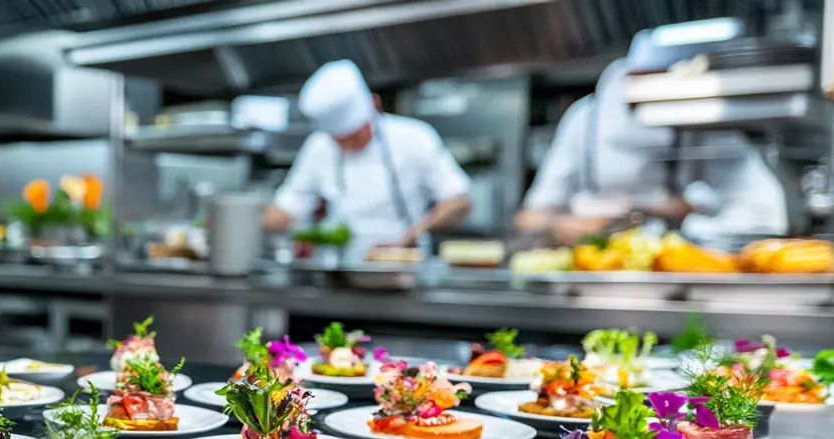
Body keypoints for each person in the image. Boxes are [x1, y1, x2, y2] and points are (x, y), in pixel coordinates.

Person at [515, 58, 788, 244]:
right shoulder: (584, 119)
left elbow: (764, 210)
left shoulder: (698, 114)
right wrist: (559, 226)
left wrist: (691, 216)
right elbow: (529, 218)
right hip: (588, 279)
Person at [262, 60, 473, 261]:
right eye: (341, 141)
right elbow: (289, 206)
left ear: (375, 105)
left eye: (355, 135)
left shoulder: (415, 137)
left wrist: (415, 233)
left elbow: (458, 201)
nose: (349, 146)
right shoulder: (319, 146)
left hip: (405, 265)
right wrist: (251, 219)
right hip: (339, 267)